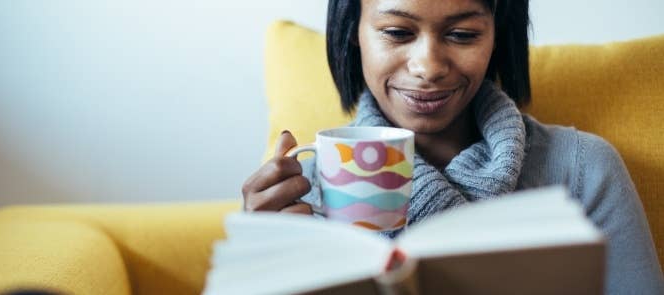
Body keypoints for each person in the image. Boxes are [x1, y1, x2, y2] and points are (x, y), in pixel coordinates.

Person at [241, 0, 664, 293]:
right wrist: (258, 261)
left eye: (462, 34)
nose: (427, 67)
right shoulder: (302, 192)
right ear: (354, 32)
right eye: (397, 32)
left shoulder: (583, 169)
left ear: (498, 35)